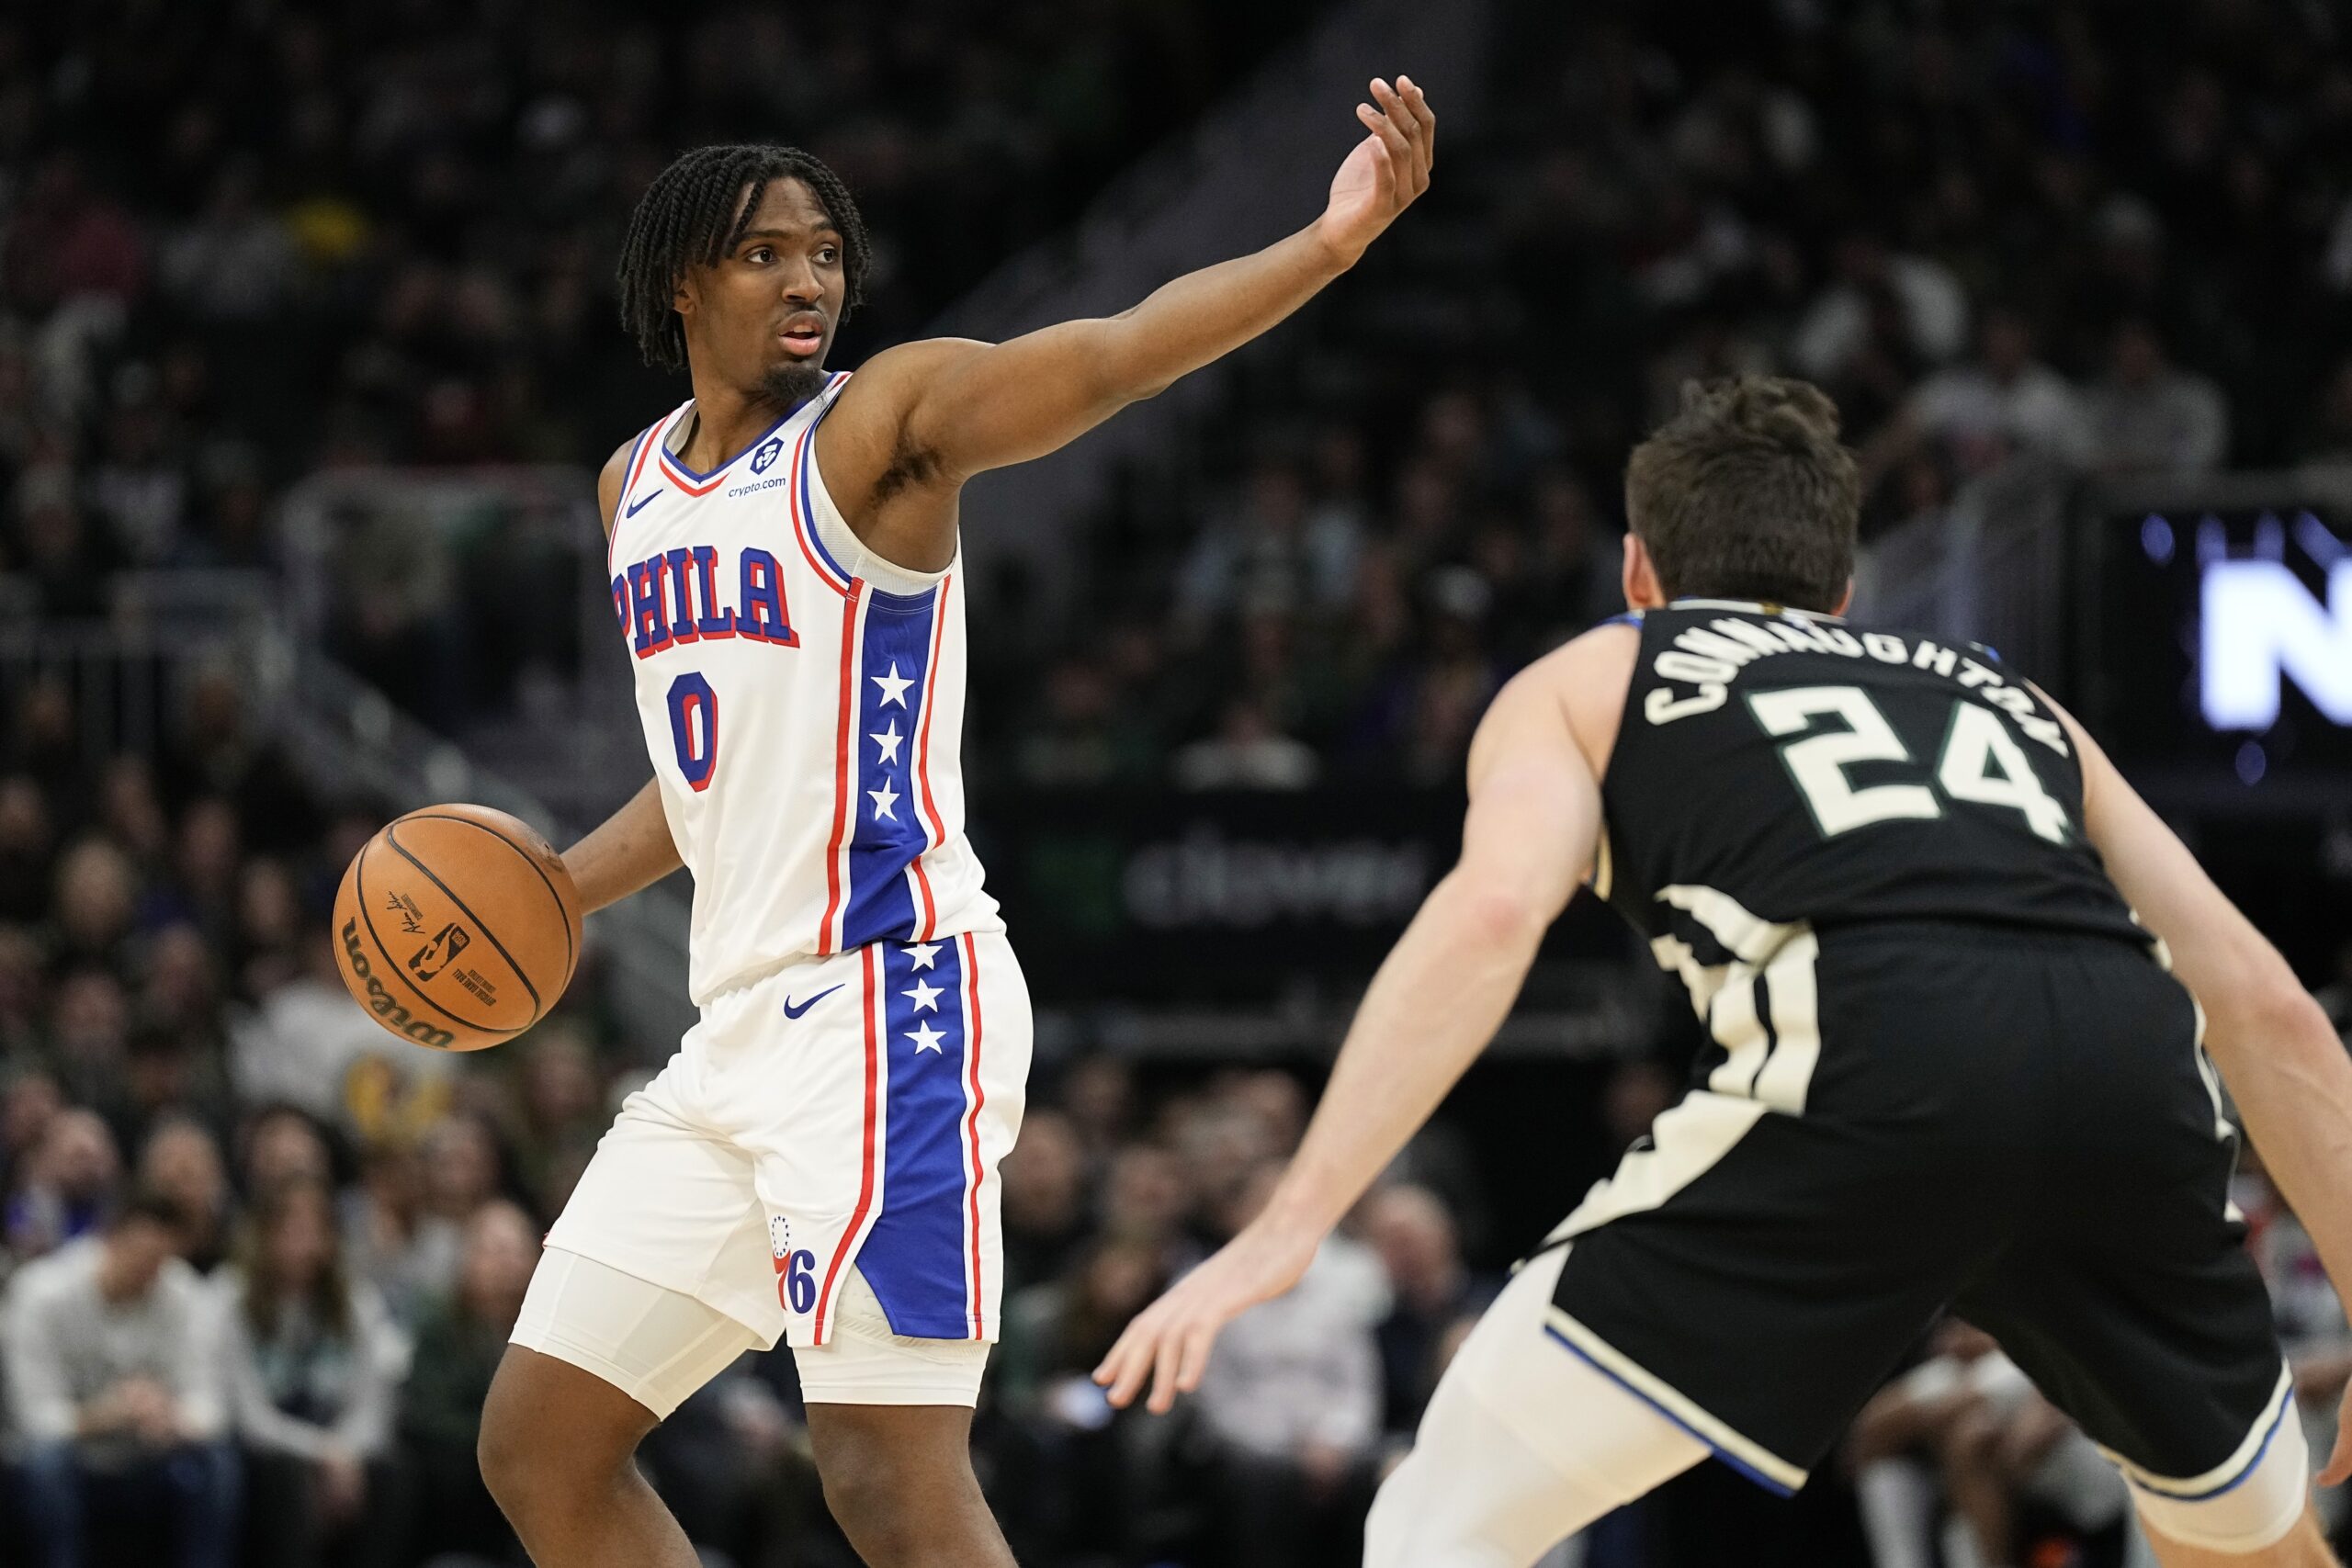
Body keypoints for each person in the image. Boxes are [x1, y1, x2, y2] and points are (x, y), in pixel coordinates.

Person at [1099, 375, 2352, 1567]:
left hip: (1871, 1060)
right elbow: (2269, 1004)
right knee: (2251, 1547)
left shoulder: (1598, 670)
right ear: (1846, 591)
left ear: (1638, 570)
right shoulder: (2012, 698)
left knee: (1440, 1524)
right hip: (2133, 1085)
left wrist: (1288, 1222)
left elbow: (1489, 918)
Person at [474, 75, 1439, 1568]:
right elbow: (710, 778)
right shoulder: (634, 490)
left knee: (881, 1470)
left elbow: (1111, 356)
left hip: (887, 998)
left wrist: (1326, 246)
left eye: (826, 251)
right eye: (764, 253)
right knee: (541, 1444)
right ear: (679, 284)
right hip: (732, 1029)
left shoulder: (882, 428)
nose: (810, 279)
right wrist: (548, 886)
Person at [4, 1190, 236, 1568]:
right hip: (75, 1459)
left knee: (214, 1462)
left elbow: (211, 1406)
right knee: (46, 1463)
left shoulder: (182, 1293)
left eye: (160, 1261)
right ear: (108, 1241)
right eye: (140, 1258)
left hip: (148, 1459)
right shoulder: (41, 1293)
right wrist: (107, 1413)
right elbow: (33, 1420)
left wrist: (173, 1416)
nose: (149, 1273)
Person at [215, 1176, 407, 1568]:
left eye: (317, 1230)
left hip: (339, 1448)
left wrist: (345, 1453)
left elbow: (373, 1404)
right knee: (286, 1479)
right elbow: (252, 1420)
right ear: (264, 1236)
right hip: (268, 1454)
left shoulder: (355, 1303)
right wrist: (324, 1455)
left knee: (393, 1473)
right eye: (292, 1230)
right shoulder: (230, 1301)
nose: (306, 1244)